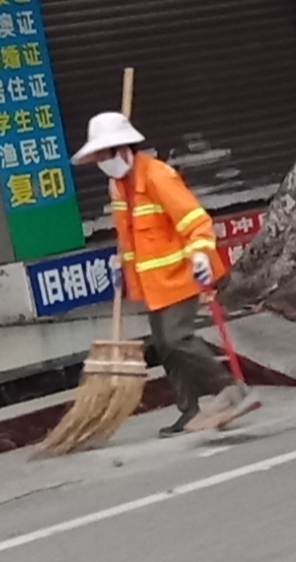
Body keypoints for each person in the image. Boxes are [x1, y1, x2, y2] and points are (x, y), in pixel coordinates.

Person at [72, 112, 246, 435]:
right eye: (97, 158)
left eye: (104, 155)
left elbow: (196, 220)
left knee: (176, 337)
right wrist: (122, 264)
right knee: (165, 346)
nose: (101, 163)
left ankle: (229, 389)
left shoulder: (157, 176)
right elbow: (130, 234)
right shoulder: (118, 187)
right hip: (153, 284)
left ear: (122, 149)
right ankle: (189, 409)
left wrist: (200, 254)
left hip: (183, 272)